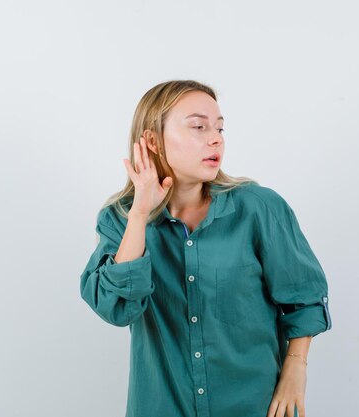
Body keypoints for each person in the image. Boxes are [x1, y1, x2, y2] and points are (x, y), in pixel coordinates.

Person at [79, 79, 332, 417]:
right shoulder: (120, 220)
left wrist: (295, 371)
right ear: (152, 140)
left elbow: (304, 298)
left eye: (220, 128)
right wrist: (140, 214)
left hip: (257, 406)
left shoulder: (258, 208)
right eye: (198, 126)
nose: (215, 138)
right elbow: (118, 308)